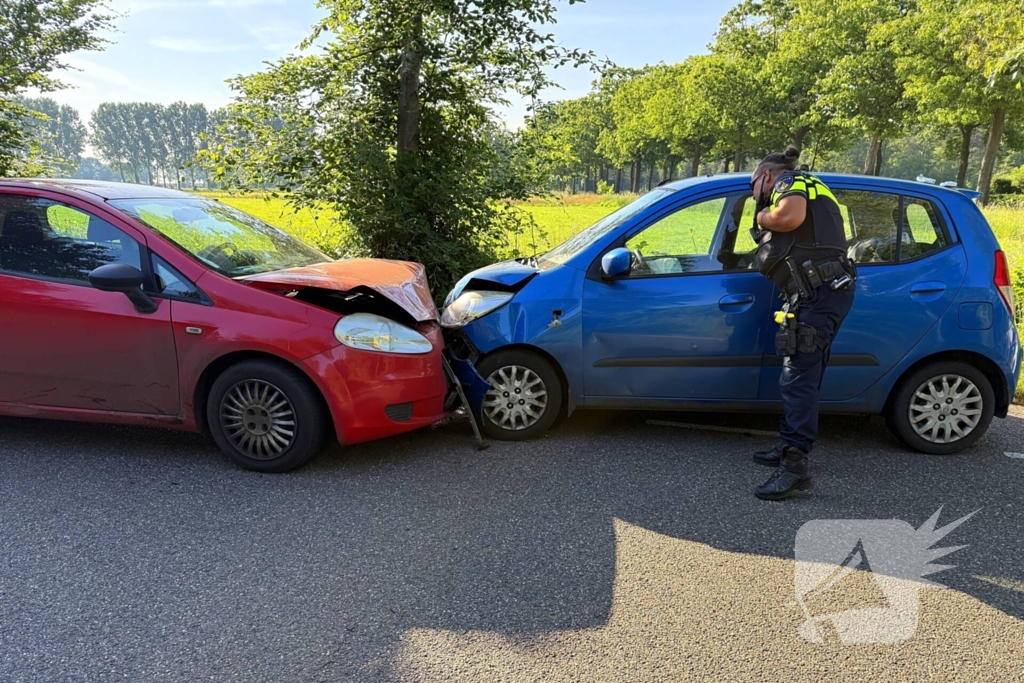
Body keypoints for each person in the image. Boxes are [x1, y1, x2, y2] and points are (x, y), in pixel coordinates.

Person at [748, 147, 857, 501]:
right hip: (819, 293)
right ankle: (788, 447)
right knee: (802, 374)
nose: (755, 195)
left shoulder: (790, 182)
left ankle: (795, 467)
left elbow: (789, 218)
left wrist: (763, 217)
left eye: (754, 187)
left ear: (766, 175)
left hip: (819, 293)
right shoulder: (813, 186)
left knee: (798, 378)